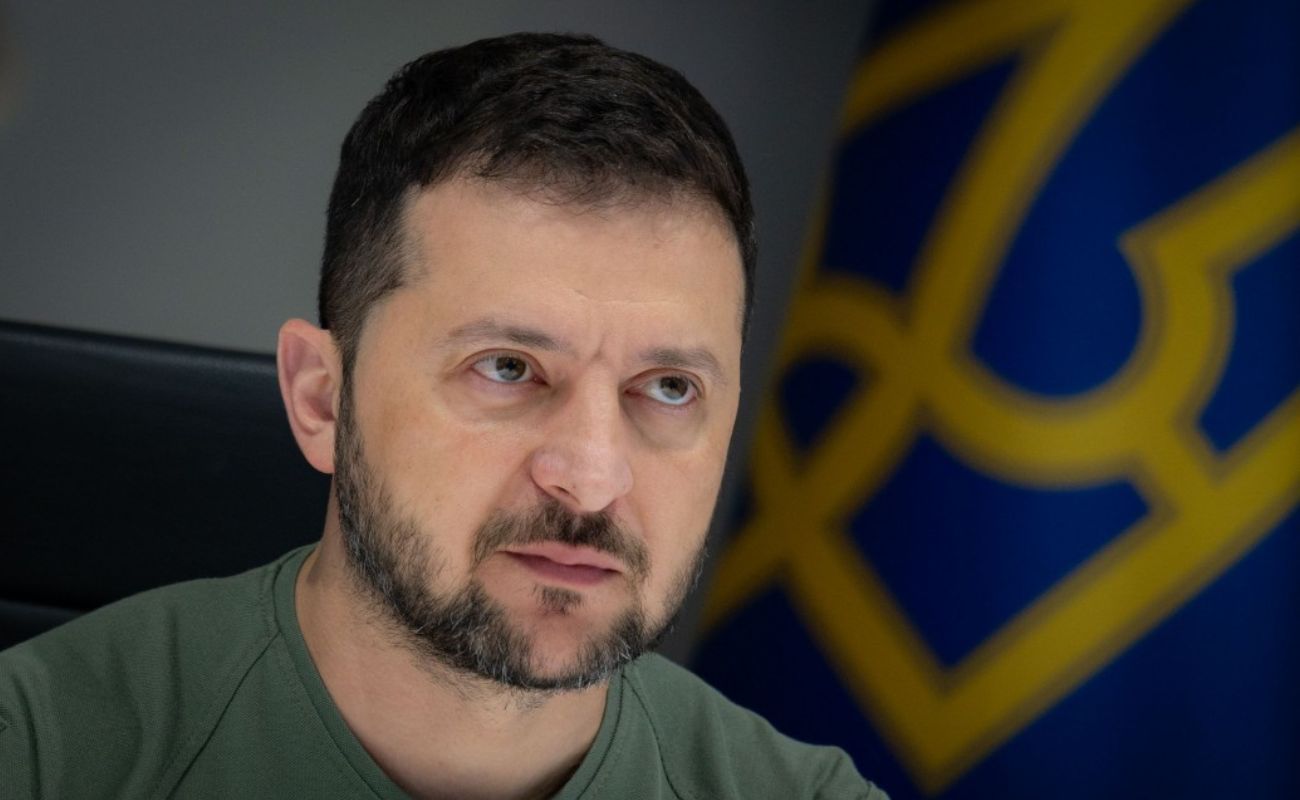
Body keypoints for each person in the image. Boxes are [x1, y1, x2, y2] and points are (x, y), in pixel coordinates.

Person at [0, 33, 887, 799]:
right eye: (507, 369)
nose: (590, 477)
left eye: (668, 388)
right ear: (321, 399)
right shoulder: (38, 752)